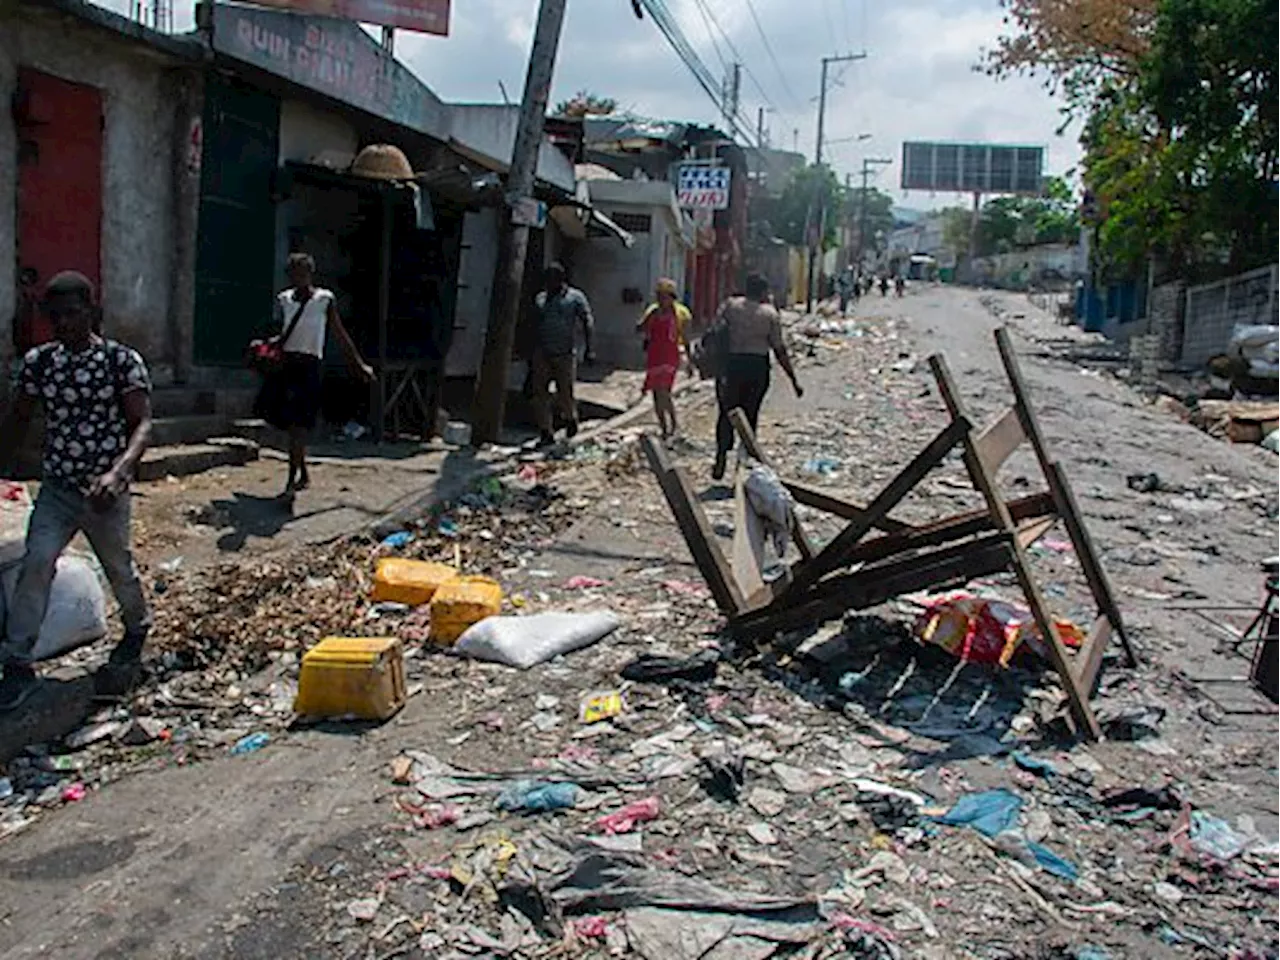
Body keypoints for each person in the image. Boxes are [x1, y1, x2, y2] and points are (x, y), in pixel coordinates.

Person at [0, 271, 153, 711]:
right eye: (57, 317)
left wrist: (119, 473)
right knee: (36, 563)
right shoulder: (41, 364)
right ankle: (18, 662)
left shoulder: (121, 362)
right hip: (59, 489)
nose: (65, 324)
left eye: (73, 314)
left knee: (118, 567)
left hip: (103, 491)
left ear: (92, 312)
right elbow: (18, 419)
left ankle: (138, 626)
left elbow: (141, 424)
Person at [258, 253, 373, 497]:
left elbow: (340, 335)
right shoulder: (284, 300)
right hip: (288, 365)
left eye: (303, 273)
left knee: (299, 424)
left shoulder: (324, 300)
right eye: (294, 273)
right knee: (293, 424)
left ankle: (293, 478)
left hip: (310, 366)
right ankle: (298, 474)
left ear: (310, 274)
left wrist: (358, 364)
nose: (299, 278)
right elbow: (281, 332)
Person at [712, 273, 803, 481]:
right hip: (757, 367)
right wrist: (793, 380)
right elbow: (779, 349)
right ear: (763, 292)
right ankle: (744, 463)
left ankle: (721, 452)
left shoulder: (730, 306)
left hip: (732, 365)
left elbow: (716, 331)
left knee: (726, 411)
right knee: (750, 414)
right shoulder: (769, 314)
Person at [531, 262, 594, 448]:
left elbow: (587, 321)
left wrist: (590, 349)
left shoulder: (575, 297)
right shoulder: (541, 299)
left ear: (560, 280)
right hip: (542, 352)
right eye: (547, 280)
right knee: (540, 394)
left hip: (565, 353)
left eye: (553, 280)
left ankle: (570, 419)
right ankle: (545, 431)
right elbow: (534, 324)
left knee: (564, 392)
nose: (549, 284)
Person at [637, 277, 693, 441]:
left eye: (665, 296)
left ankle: (674, 424)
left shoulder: (681, 314)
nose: (661, 300)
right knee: (656, 393)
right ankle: (664, 427)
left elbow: (686, 338)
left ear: (672, 297)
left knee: (664, 391)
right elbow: (641, 327)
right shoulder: (653, 312)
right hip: (654, 355)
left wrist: (690, 362)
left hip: (670, 356)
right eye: (659, 296)